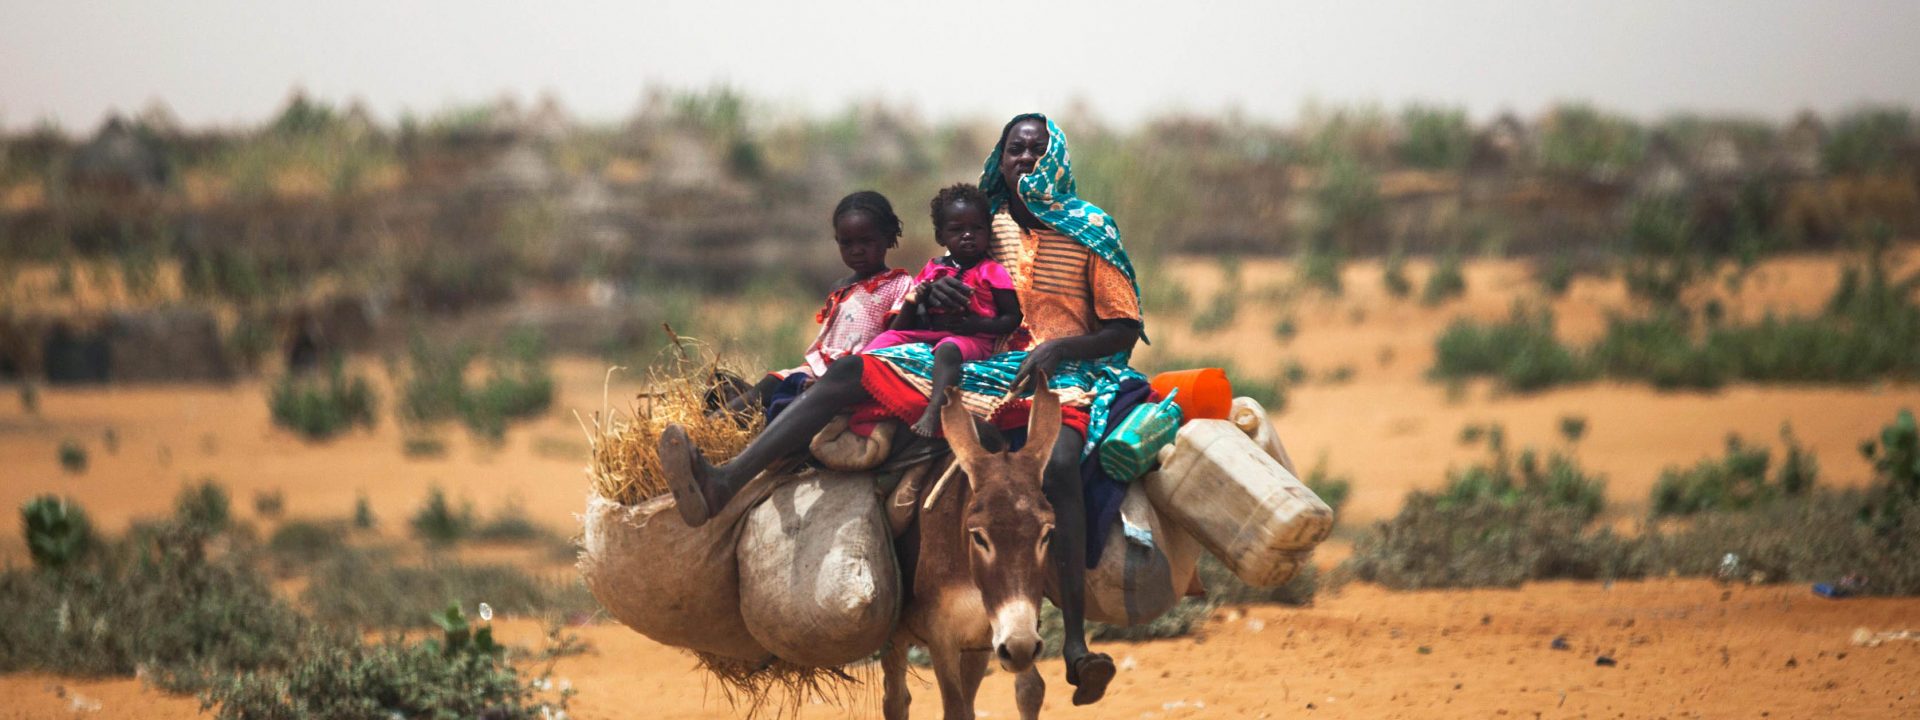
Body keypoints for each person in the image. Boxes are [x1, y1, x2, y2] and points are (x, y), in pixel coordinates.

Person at [662, 114, 1144, 706]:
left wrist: (1063, 346)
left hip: (1074, 374)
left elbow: (1124, 329)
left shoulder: (1091, 228)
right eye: (1015, 150)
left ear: (1059, 161)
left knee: (1061, 465)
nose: (1025, 161)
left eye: (1038, 152)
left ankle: (1074, 642)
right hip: (989, 365)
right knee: (850, 373)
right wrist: (931, 300)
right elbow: (966, 281)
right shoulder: (988, 224)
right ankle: (724, 481)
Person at [718, 191, 912, 418]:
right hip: (819, 368)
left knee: (791, 403)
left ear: (889, 237)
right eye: (846, 243)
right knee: (771, 382)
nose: (856, 250)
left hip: (853, 376)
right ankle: (704, 428)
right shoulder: (840, 287)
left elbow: (894, 337)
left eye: (866, 241)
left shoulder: (899, 284)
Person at [864, 183, 1023, 437]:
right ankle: (863, 378)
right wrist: (922, 297)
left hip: (975, 339)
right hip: (931, 334)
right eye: (957, 230)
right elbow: (914, 308)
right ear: (941, 237)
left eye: (977, 228)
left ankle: (935, 409)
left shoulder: (992, 271)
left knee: (949, 348)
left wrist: (976, 325)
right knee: (887, 338)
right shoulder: (934, 268)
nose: (968, 235)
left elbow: (1012, 317)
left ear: (988, 232)